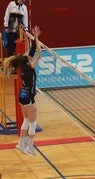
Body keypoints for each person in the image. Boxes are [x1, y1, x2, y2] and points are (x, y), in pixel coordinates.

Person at [3, 25, 41, 156]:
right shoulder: (30, 66)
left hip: (22, 96)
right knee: (33, 122)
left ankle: (21, 144)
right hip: (29, 98)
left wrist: (30, 37)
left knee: (26, 120)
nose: (28, 55)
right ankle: (30, 147)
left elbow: (30, 50)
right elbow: (38, 52)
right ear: (28, 60)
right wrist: (36, 38)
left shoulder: (24, 66)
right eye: (28, 55)